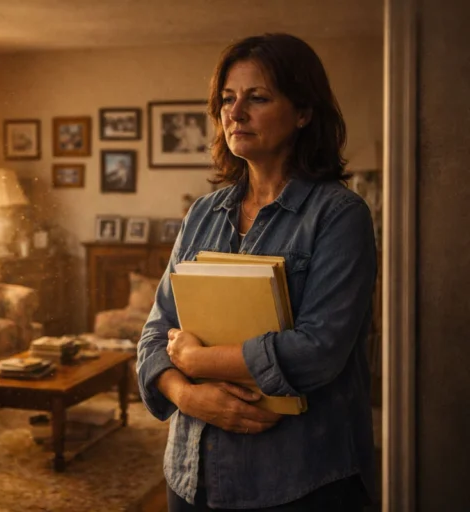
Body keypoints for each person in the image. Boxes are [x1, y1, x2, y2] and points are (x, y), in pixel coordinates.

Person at [136, 33, 377, 511]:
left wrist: (199, 361)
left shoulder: (339, 215)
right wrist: (187, 395)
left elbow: (318, 352)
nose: (235, 112)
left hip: (299, 479)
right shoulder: (202, 213)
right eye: (227, 99)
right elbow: (154, 335)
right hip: (190, 476)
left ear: (303, 112)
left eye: (257, 98)